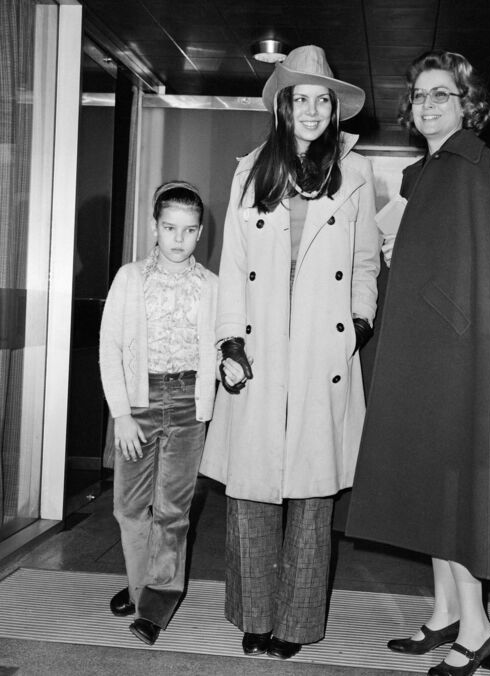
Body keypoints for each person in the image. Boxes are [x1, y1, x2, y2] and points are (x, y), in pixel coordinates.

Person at [346, 50, 490, 676]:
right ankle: (446, 612)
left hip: (453, 357)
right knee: (431, 486)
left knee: (453, 496)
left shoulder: (470, 164)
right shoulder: (430, 169)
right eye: (420, 95)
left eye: (441, 95)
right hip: (423, 351)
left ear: (467, 104)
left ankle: (478, 630)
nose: (427, 105)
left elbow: (482, 275)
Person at [199, 45, 380, 659]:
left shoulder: (357, 173)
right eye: (300, 98)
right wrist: (230, 339)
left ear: (334, 109)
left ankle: (297, 624)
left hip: (322, 352)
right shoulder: (250, 172)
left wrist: (357, 324)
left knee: (311, 497)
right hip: (260, 347)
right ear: (283, 106)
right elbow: (233, 266)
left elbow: (365, 263)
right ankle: (254, 615)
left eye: (322, 99)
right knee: (250, 491)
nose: (311, 109)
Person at [99, 181, 218, 646]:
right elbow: (110, 349)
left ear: (200, 232)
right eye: (170, 228)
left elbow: (219, 346)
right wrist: (122, 414)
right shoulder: (130, 278)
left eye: (188, 230)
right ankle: (139, 585)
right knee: (129, 507)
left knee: (172, 511)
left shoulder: (212, 286)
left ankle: (155, 604)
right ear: (155, 227)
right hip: (139, 402)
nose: (178, 239)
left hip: (188, 404)